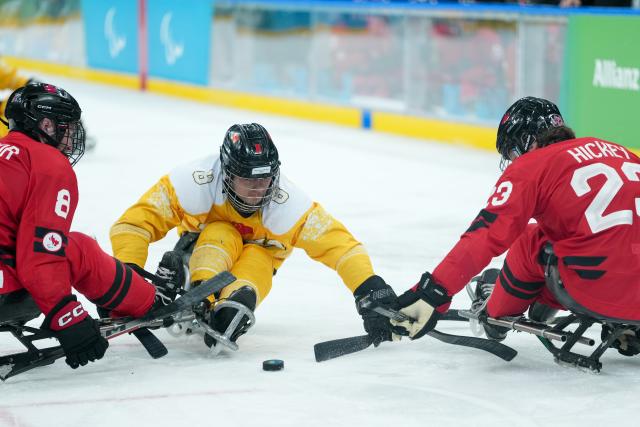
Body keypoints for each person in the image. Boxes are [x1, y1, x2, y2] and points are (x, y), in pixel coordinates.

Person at [110, 122, 397, 349]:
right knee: (221, 231)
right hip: (200, 248)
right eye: (249, 179)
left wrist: (369, 288)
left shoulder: (289, 204)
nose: (259, 189)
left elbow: (341, 246)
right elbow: (133, 224)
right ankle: (199, 287)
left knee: (257, 262)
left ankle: (233, 304)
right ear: (226, 172)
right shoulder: (195, 180)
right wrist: (126, 273)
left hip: (259, 257)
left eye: (265, 178)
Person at [389, 96, 640, 354]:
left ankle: (496, 312)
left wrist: (434, 291)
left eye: (511, 151)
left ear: (527, 141)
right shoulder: (623, 154)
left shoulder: (532, 164)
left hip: (592, 289)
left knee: (530, 239)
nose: (512, 160)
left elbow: (486, 234)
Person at [0, 82, 181, 370]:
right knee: (78, 248)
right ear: (46, 125)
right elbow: (41, 253)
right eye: (67, 129)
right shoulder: (48, 162)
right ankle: (149, 300)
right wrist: (65, 314)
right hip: (4, 293)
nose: (71, 142)